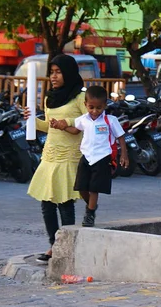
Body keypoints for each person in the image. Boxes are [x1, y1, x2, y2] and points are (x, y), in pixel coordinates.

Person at [25, 54, 85, 263]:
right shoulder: (50, 97)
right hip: (50, 155)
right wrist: (32, 120)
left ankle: (68, 246)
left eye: (58, 72)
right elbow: (48, 124)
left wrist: (67, 121)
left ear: (68, 73)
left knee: (65, 203)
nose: (53, 76)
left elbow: (89, 121)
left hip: (69, 157)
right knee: (46, 203)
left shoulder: (80, 97)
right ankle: (53, 244)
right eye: (51, 72)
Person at [50, 85, 129, 227]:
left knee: (94, 188)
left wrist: (124, 154)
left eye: (98, 108)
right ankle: (91, 205)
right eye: (91, 107)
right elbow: (75, 130)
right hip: (86, 156)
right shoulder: (83, 119)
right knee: (81, 187)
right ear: (85, 104)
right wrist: (62, 127)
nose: (94, 111)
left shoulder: (110, 120)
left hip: (103, 157)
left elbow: (121, 136)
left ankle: (90, 214)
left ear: (105, 106)